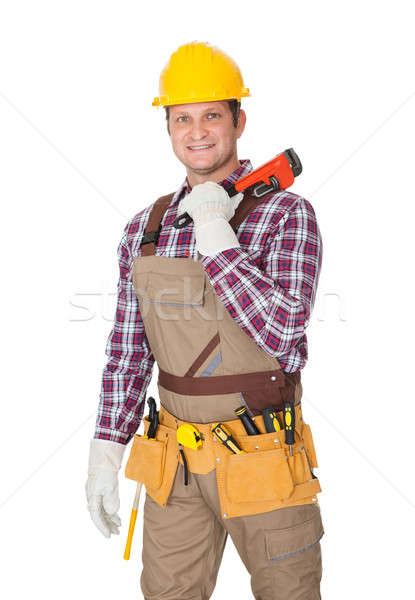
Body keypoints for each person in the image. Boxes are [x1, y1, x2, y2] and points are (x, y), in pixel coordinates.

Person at [86, 40, 324, 599]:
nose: (197, 131)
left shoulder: (286, 215)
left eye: (212, 115)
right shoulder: (146, 228)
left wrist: (218, 236)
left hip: (264, 456)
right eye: (182, 118)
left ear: (238, 121)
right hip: (174, 464)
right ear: (168, 128)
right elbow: (127, 351)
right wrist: (105, 449)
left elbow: (284, 335)